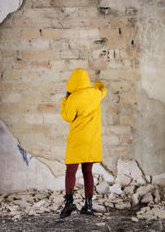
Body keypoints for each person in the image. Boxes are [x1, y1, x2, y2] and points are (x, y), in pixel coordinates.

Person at [59, 68, 107, 218]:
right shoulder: (96, 94)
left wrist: (65, 100)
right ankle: (88, 205)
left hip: (77, 141)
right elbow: (102, 88)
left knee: (70, 171)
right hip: (92, 141)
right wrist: (97, 83)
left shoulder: (73, 98)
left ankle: (69, 203)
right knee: (88, 172)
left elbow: (67, 116)